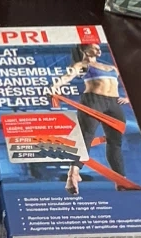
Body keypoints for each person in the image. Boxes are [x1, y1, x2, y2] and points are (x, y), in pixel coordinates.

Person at [54, 44, 131, 187]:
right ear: (84, 50)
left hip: (114, 103)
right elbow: (67, 77)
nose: (98, 49)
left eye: (98, 47)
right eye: (94, 47)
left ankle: (121, 180)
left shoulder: (112, 68)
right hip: (93, 101)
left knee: (115, 142)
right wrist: (54, 87)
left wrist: (128, 97)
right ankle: (73, 175)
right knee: (86, 137)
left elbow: (127, 82)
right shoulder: (83, 65)